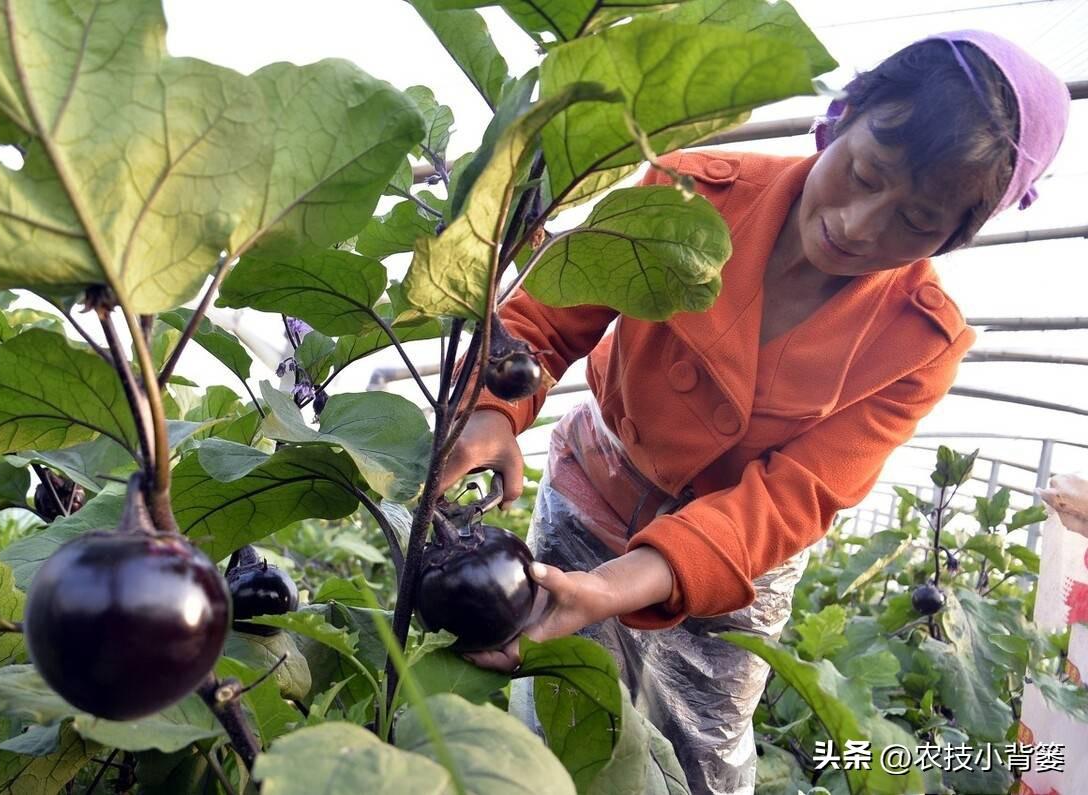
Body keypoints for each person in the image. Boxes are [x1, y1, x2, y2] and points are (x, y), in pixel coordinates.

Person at [438, 30, 1070, 794]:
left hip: (727, 563)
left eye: (918, 222)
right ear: (843, 115)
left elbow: (791, 495)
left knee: (699, 756)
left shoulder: (920, 342)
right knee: (561, 728)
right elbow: (548, 314)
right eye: (864, 172)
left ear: (956, 236)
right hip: (593, 489)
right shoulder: (693, 192)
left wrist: (623, 582)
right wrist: (494, 410)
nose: (861, 225)